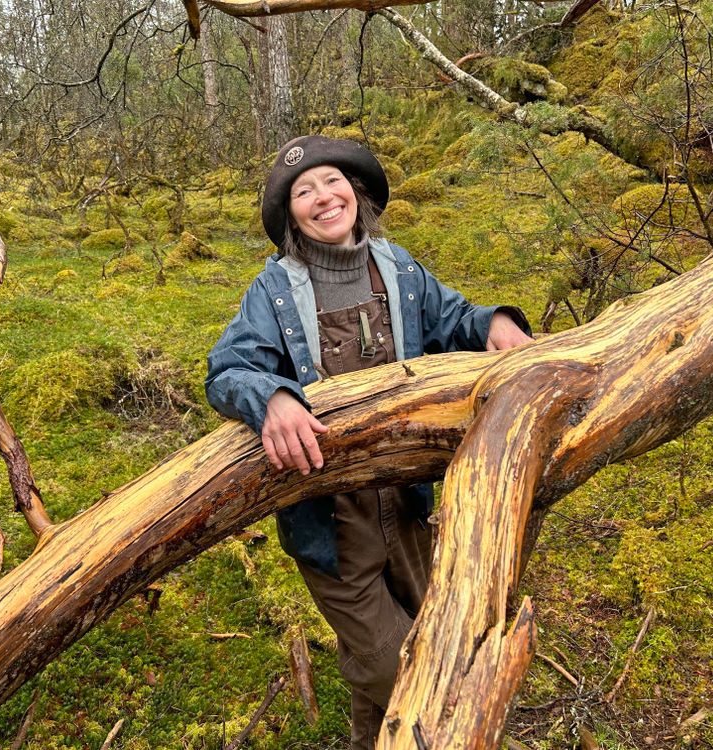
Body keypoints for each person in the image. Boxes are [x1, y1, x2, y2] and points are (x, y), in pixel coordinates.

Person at [205, 135, 532, 748]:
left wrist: (492, 320)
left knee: (427, 629)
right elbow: (227, 371)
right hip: (329, 520)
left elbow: (450, 319)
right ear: (290, 215)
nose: (323, 198)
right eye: (304, 192)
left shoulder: (399, 268)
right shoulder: (274, 291)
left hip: (407, 500)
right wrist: (271, 399)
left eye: (332, 182)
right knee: (400, 665)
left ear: (355, 191)